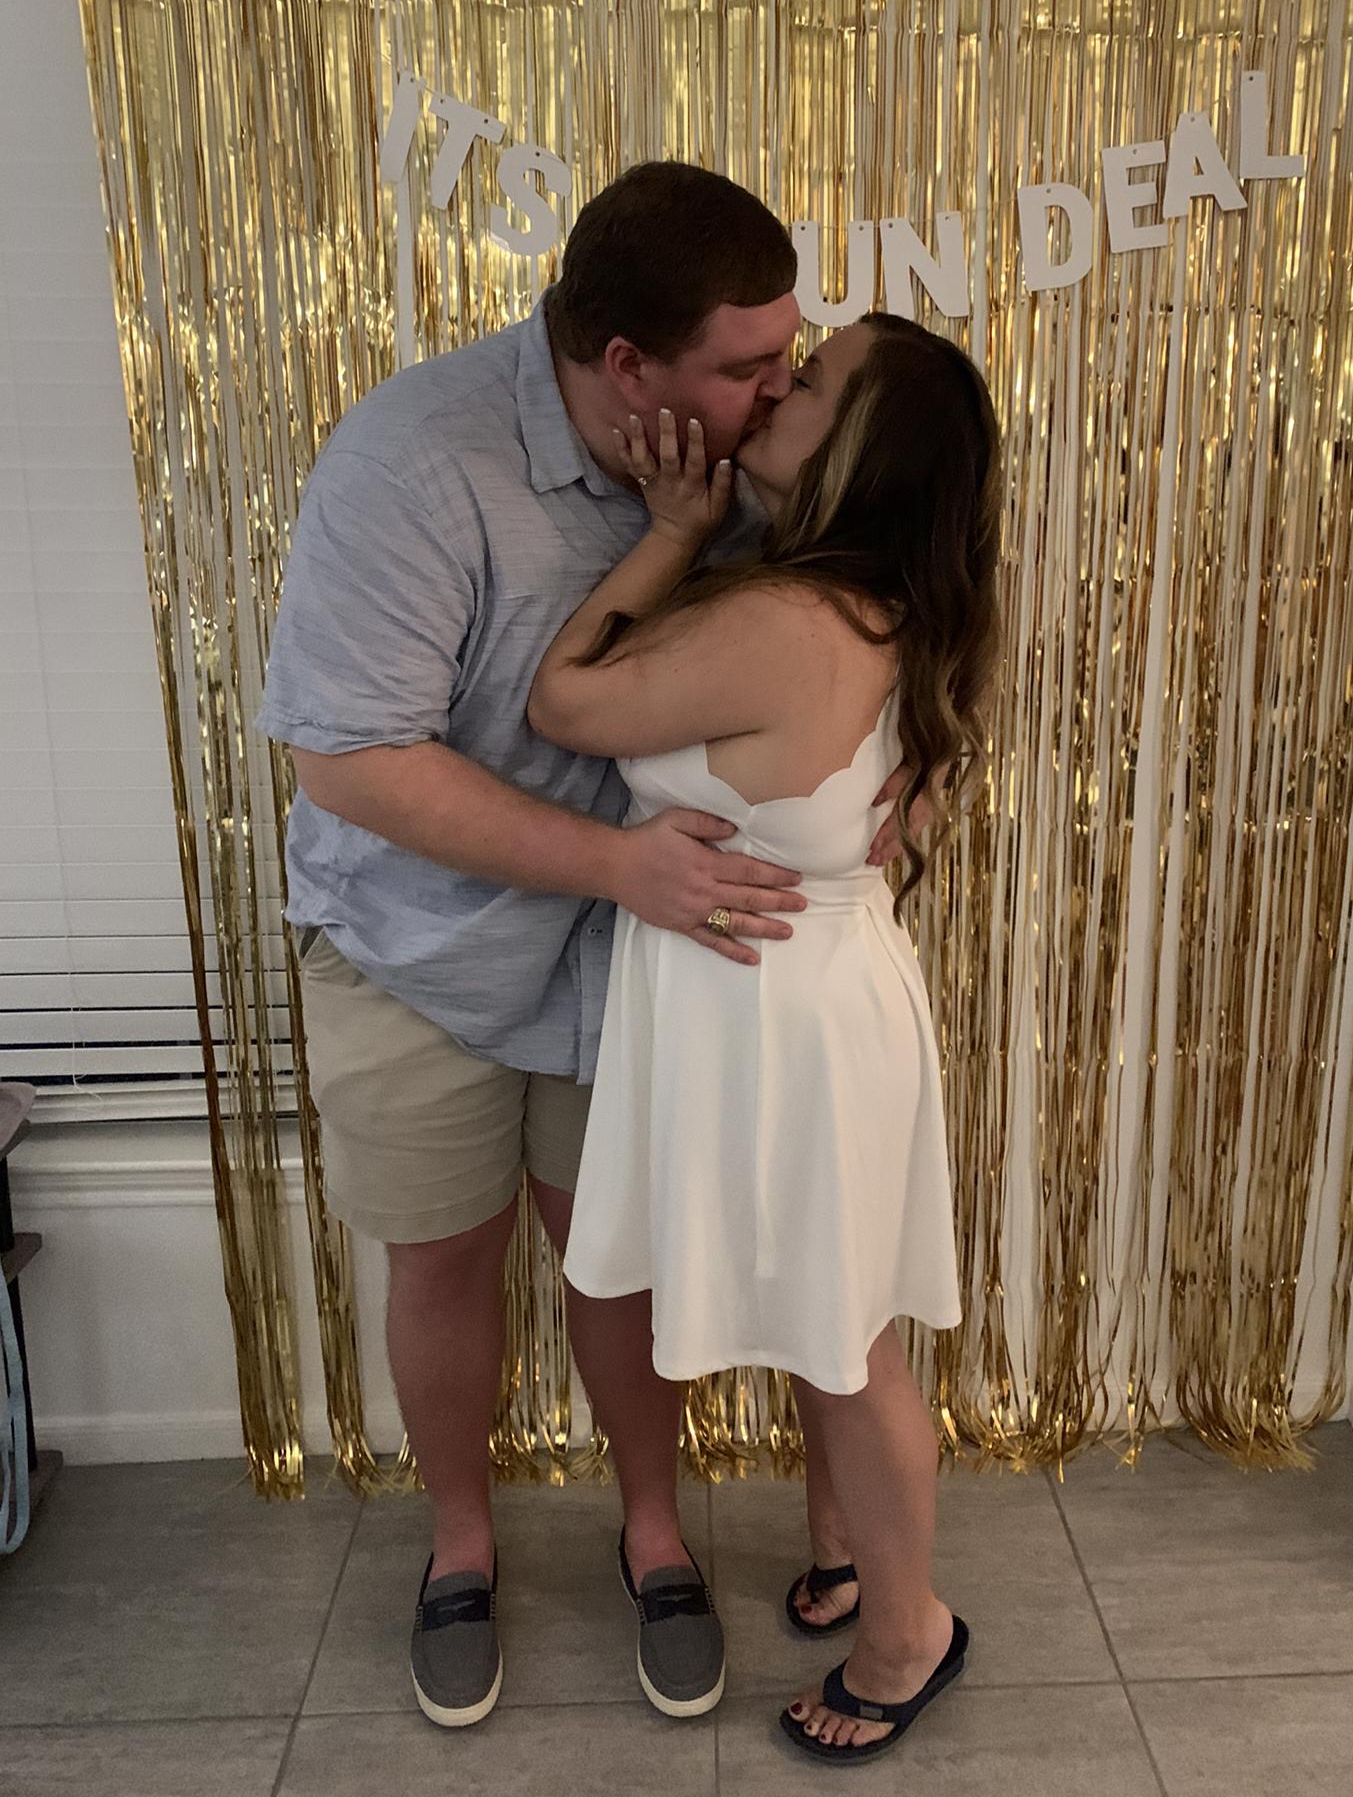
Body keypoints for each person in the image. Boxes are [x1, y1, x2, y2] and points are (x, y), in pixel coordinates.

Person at [255, 162, 917, 1729]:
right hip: (418, 945)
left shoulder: (754, 461)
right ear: (627, 366)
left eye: (791, 356)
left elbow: (901, 583)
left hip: (639, 959)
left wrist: (925, 761)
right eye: (751, 364)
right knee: (443, 1257)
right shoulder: (414, 461)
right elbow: (349, 761)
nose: (780, 387)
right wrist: (619, 864)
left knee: (617, 1260)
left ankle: (655, 1533)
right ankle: (461, 1546)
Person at [528, 310, 1003, 1761]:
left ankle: (907, 1633)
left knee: (846, 1351)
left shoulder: (788, 621)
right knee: (829, 1314)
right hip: (817, 991)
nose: (783, 387)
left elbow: (563, 697)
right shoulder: (892, 605)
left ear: (865, 446)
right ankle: (850, 1555)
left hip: (781, 1017)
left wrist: (674, 532)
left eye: (819, 379)